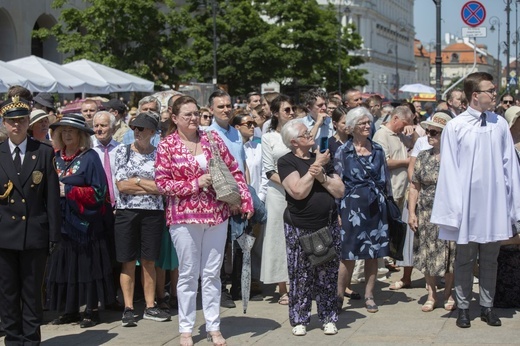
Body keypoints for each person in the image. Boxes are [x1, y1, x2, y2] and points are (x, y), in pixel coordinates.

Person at [155, 95, 253, 346]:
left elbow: (234, 169)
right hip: (183, 217)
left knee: (212, 274)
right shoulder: (167, 145)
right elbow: (162, 183)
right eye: (187, 115)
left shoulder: (212, 138)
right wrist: (194, 183)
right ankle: (186, 328)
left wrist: (244, 198)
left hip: (216, 214)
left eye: (195, 113)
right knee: (188, 273)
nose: (193, 118)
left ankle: (214, 326)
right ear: (174, 118)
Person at [431, 72, 520, 328]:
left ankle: (487, 306)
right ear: (475, 95)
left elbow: (509, 166)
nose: (495, 94)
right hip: (467, 205)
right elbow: (449, 170)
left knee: (490, 259)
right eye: (490, 90)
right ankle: (462, 307)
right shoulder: (456, 126)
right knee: (465, 259)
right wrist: (453, 209)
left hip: (493, 204)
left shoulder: (499, 123)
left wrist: (514, 206)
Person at [0, 97, 60, 345]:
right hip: (4, 236)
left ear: (28, 123)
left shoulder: (43, 152)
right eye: (12, 121)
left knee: (32, 294)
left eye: (22, 120)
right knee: (7, 294)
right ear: (4, 124)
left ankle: (31, 341)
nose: (17, 126)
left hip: (34, 233)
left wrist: (54, 235)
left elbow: (53, 199)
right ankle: (13, 340)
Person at [47, 113, 115, 328]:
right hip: (61, 223)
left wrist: (67, 190)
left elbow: (99, 192)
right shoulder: (55, 157)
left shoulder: (90, 157)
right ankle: (69, 310)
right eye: (63, 131)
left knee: (87, 267)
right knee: (66, 266)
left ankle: (91, 310)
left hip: (85, 225)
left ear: (80, 135)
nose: (66, 134)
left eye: (71, 131)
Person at [278, 119, 344, 336]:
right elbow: (298, 191)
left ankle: (328, 317)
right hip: (300, 226)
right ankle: (299, 318)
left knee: (328, 274)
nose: (311, 135)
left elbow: (339, 190)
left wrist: (321, 173)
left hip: (327, 224)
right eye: (305, 134)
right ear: (294, 141)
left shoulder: (323, 157)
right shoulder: (287, 162)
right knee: (300, 275)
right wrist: (316, 167)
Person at [114, 111, 170, 327]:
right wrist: (147, 184)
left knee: (149, 260)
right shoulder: (122, 152)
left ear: (153, 132)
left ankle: (149, 305)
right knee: (127, 260)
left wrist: (135, 180)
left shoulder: (159, 155)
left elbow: (163, 187)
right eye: (135, 128)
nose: (137, 132)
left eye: (142, 128)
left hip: (153, 213)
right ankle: (128, 308)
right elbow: (121, 185)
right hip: (127, 212)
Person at [334, 107, 391, 314]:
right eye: (363, 123)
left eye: (369, 122)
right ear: (352, 127)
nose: (368, 126)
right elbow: (337, 183)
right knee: (347, 254)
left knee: (373, 253)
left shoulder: (377, 149)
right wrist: (337, 212)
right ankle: (339, 296)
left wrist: (388, 205)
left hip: (376, 206)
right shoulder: (343, 151)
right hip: (351, 208)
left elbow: (386, 181)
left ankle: (369, 295)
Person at [407, 112, 456, 312]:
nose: (429, 134)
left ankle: (449, 293)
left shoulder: (455, 157)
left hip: (449, 211)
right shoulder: (423, 156)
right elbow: (414, 186)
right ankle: (432, 294)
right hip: (426, 212)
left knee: (449, 253)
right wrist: (412, 213)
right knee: (427, 254)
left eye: (434, 131)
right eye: (428, 131)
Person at [373, 106, 416, 290]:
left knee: (398, 230)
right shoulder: (382, 136)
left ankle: (393, 259)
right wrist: (408, 162)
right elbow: (384, 162)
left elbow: (419, 145)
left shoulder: (399, 135)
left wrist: (412, 132)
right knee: (385, 230)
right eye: (403, 124)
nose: (403, 128)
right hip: (389, 191)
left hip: (403, 191)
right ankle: (379, 267)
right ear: (395, 118)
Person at [261, 94, 293, 305]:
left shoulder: (298, 133)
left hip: (301, 193)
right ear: (275, 113)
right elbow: (269, 171)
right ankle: (282, 287)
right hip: (278, 193)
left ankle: (301, 283)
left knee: (298, 238)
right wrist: (291, 185)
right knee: (278, 238)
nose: (291, 113)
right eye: (286, 110)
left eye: (292, 109)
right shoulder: (268, 137)